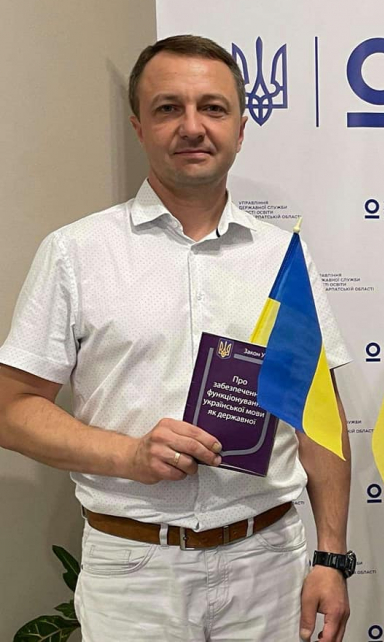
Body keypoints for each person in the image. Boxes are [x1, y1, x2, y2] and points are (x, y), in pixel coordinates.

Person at [0, 35, 352, 642]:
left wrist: (331, 554)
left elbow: (319, 416)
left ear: (240, 129)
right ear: (139, 127)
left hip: (268, 565)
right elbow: (12, 410)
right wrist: (129, 456)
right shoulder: (76, 252)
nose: (193, 126)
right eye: (169, 108)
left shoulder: (282, 258)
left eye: (213, 108)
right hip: (135, 575)